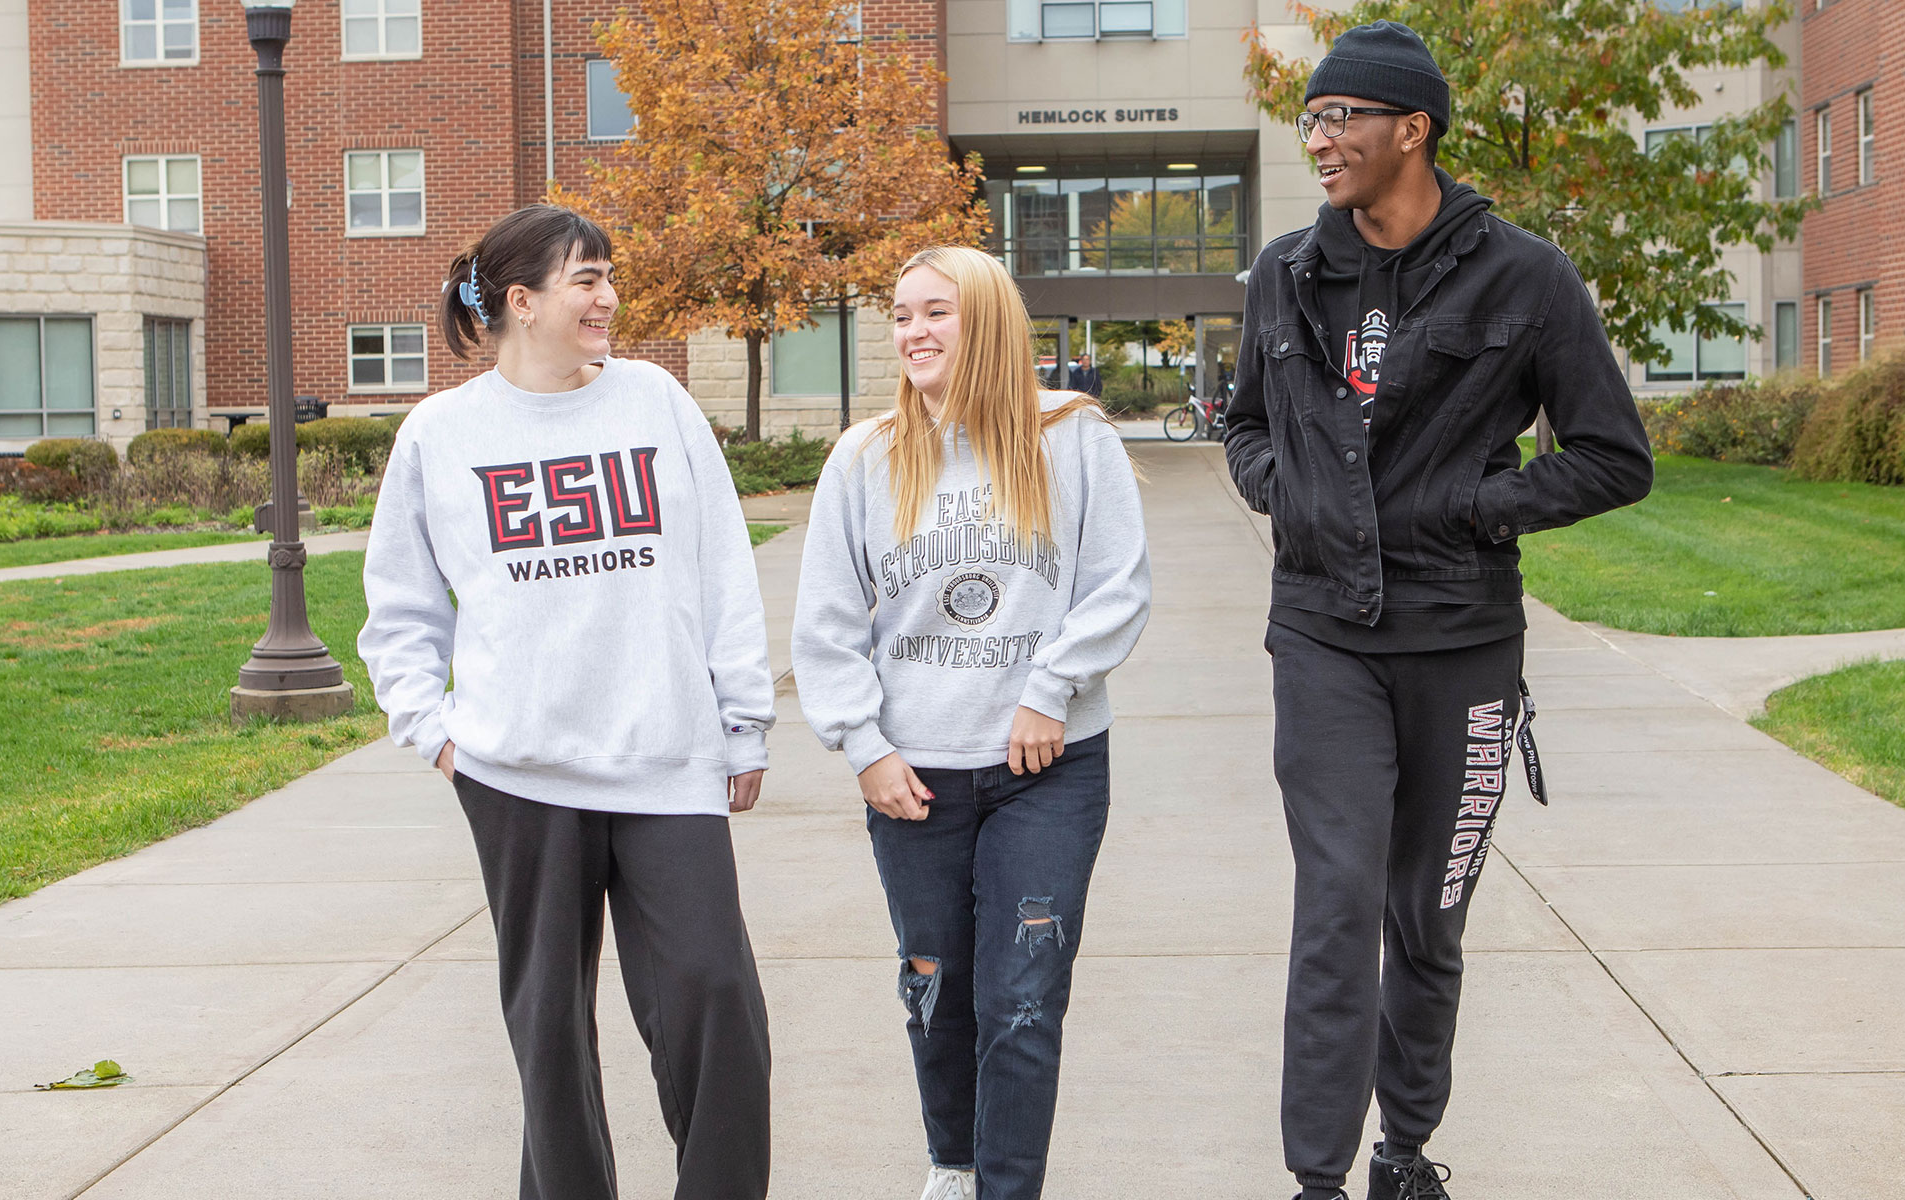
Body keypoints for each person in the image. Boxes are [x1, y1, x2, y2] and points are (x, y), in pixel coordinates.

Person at [1220, 21, 1654, 1200]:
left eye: (1340, 117)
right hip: (1322, 635)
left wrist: (1477, 505)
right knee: (1338, 901)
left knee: (1425, 915)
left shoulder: (1526, 276)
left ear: (1412, 129)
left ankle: (1404, 1154)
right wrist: (1284, 491)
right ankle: (1314, 1178)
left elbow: (1616, 457)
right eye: (1310, 119)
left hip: (1461, 641)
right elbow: (1244, 421)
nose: (1318, 139)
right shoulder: (1284, 273)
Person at [357, 202, 777, 1200]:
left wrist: (743, 715)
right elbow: (400, 607)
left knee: (714, 997)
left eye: (607, 275)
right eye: (586, 279)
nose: (608, 297)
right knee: (549, 1028)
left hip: (664, 757)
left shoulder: (656, 403)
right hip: (519, 773)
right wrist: (437, 732)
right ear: (522, 300)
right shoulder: (443, 434)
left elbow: (724, 564)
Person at [793, 245, 1153, 1200]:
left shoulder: (1074, 440)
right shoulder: (866, 456)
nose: (912, 331)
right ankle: (953, 1166)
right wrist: (863, 746)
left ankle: (1007, 1190)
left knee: (1023, 1000)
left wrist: (1051, 689)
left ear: (987, 320)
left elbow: (1117, 588)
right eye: (902, 314)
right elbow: (827, 627)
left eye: (935, 312)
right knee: (938, 991)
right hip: (915, 778)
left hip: (1052, 771)